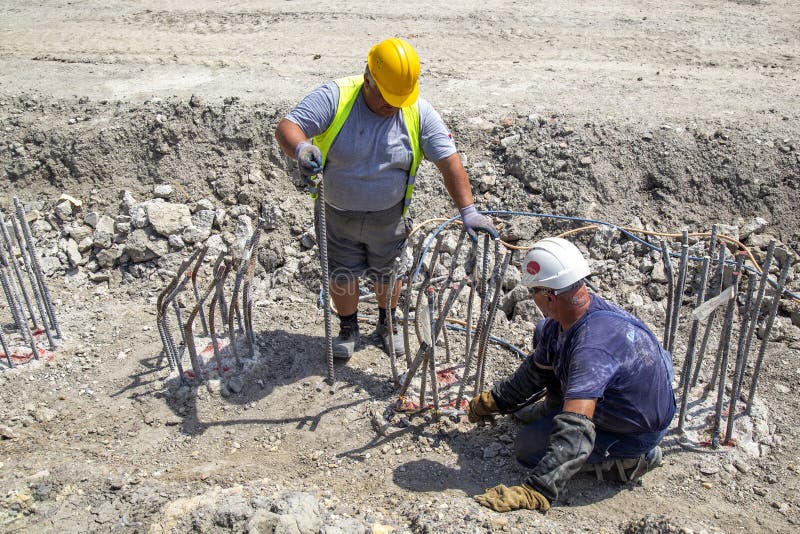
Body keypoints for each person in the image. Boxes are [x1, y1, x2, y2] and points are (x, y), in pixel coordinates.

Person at [275, 37, 497, 361]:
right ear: (368, 79)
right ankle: (348, 328)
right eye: (386, 97)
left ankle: (387, 323)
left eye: (399, 99)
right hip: (337, 216)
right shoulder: (336, 97)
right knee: (342, 274)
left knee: (388, 273)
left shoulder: (417, 111)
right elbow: (288, 126)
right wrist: (300, 149)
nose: (393, 106)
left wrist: (469, 210)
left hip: (389, 218)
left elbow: (449, 161)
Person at [467, 237, 675, 513]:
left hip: (633, 430)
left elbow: (577, 429)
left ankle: (632, 461)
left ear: (550, 295)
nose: (533, 300)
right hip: (626, 392)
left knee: (528, 448)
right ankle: (554, 408)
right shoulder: (572, 315)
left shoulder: (591, 348)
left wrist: (538, 489)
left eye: (534, 294)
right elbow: (536, 368)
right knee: (544, 331)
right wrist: (495, 401)